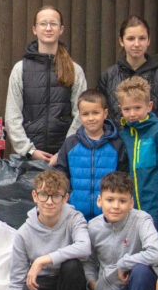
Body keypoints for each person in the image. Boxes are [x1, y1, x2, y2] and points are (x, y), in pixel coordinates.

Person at [5, 170, 90, 290]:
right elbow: (17, 277)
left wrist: (43, 259)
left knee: (72, 265)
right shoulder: (24, 233)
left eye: (56, 196)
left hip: (68, 283)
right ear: (35, 196)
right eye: (44, 195)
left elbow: (85, 247)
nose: (49, 202)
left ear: (65, 198)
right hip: (42, 284)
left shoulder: (74, 218)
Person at [5, 5, 88, 164]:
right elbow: (12, 116)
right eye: (43, 23)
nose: (48, 28)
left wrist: (64, 151)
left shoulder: (74, 70)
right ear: (34, 29)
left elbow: (80, 114)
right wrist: (29, 151)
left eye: (53, 23)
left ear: (61, 29)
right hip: (30, 159)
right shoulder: (20, 69)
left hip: (65, 158)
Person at [52, 89, 128, 220]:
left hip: (108, 216)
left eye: (95, 113)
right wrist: (68, 199)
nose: (91, 118)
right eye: (85, 114)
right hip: (76, 215)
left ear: (105, 113)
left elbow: (124, 177)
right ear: (79, 116)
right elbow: (61, 175)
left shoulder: (117, 144)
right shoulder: (70, 144)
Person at [115, 77, 158, 239]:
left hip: (155, 204)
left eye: (137, 107)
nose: (132, 113)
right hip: (130, 206)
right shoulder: (123, 135)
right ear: (120, 109)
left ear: (149, 106)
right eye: (127, 109)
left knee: (154, 244)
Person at [97, 16, 158, 128]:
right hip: (117, 143)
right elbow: (101, 117)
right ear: (121, 41)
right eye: (130, 38)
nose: (136, 44)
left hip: (152, 143)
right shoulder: (108, 76)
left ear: (148, 40)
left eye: (142, 38)